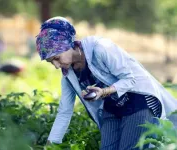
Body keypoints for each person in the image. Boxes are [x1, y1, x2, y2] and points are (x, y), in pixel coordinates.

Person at [35, 16, 177, 150]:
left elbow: (130, 78)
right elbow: (64, 112)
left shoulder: (100, 48)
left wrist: (104, 92)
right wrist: (50, 145)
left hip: (138, 100)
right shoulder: (68, 75)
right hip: (112, 107)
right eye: (51, 62)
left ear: (67, 45)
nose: (56, 65)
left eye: (57, 58)